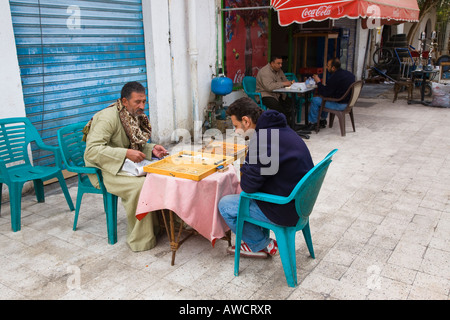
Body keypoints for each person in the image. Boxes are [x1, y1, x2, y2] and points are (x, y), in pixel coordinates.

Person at [218, 97, 314, 258]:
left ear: (246, 121)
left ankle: (262, 244)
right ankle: (259, 240)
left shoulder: (262, 141)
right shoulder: (279, 128)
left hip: (285, 208)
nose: (235, 131)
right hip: (302, 202)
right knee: (245, 195)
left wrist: (247, 163)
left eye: (236, 126)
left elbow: (248, 187)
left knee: (225, 205)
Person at [84, 81, 168, 252]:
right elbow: (92, 151)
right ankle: (142, 239)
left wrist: (152, 149)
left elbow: (135, 145)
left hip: (126, 165)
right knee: (141, 186)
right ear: (124, 101)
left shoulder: (132, 116)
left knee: (161, 175)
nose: (142, 106)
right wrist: (125, 153)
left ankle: (162, 226)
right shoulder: (107, 118)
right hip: (106, 169)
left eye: (144, 101)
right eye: (137, 102)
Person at [306, 58, 356, 130]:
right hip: (349, 103)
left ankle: (313, 123)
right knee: (324, 98)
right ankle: (323, 120)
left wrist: (318, 82)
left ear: (333, 68)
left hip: (340, 105)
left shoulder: (335, 77)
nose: (326, 67)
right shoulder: (349, 74)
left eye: (328, 66)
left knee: (316, 100)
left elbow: (325, 93)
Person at [256, 56, 294, 125]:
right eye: (278, 63)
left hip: (277, 94)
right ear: (272, 63)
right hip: (265, 95)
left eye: (281, 63)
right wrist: (283, 83)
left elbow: (285, 80)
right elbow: (269, 87)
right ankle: (284, 125)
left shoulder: (279, 70)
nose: (280, 65)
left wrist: (290, 83)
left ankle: (290, 124)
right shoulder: (265, 72)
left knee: (291, 103)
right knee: (278, 107)